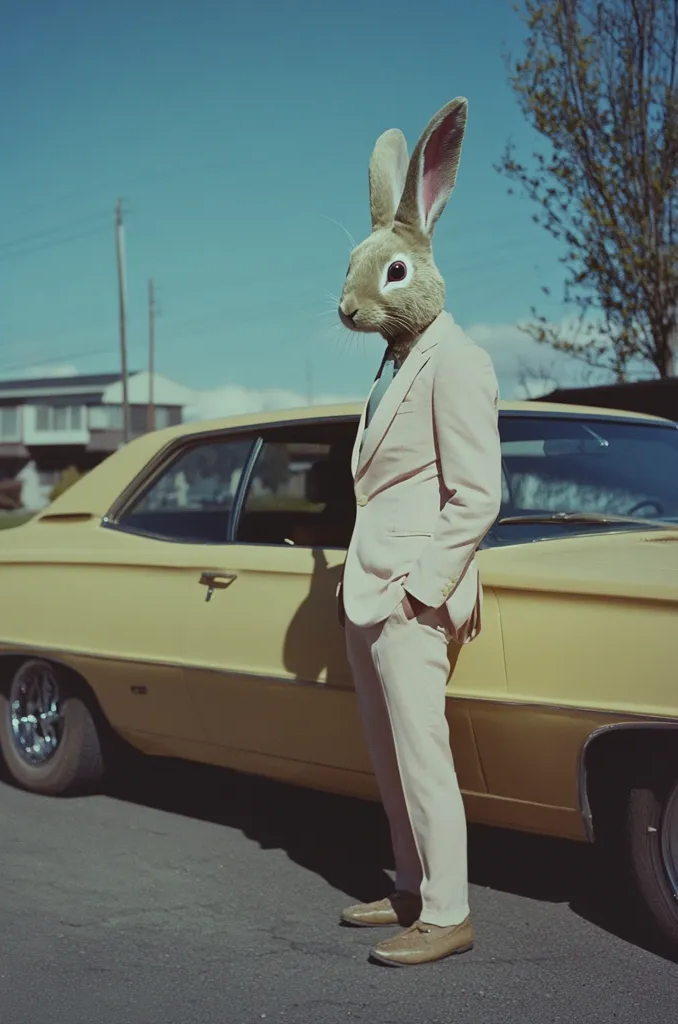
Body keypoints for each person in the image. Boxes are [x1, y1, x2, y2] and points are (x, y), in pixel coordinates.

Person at [335, 97, 502, 966]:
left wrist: (422, 591)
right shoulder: (390, 366)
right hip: (369, 589)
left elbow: (478, 494)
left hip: (412, 593)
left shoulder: (459, 359)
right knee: (387, 750)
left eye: (385, 278)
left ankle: (448, 910)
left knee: (424, 753)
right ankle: (408, 884)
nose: (357, 302)